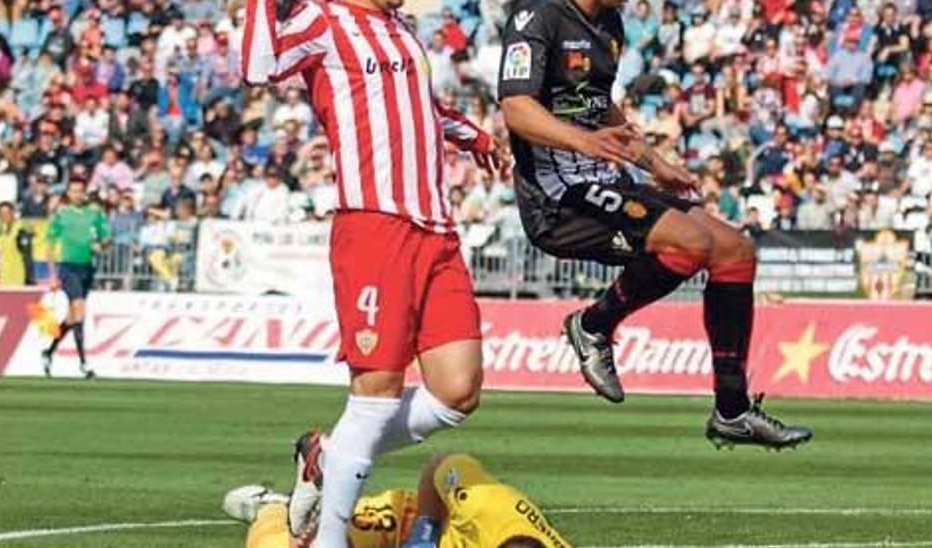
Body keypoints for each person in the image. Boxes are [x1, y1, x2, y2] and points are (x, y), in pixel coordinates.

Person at [497, 0, 812, 449]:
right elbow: (516, 109)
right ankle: (593, 325)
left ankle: (732, 410)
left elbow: (600, 105)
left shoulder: (610, 23)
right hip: (557, 195)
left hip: (607, 177)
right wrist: (584, 142)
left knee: (735, 252)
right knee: (690, 243)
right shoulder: (538, 16)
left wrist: (654, 162)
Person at [242, 0, 500, 546]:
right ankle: (328, 541)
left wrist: (474, 136)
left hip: (436, 231)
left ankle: (328, 454)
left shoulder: (399, 29)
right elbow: (258, 69)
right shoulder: (322, 19)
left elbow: (420, 110)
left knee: (458, 392)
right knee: (377, 390)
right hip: (375, 227)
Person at [223, 451, 567, 548]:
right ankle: (273, 507)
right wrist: (425, 533)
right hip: (402, 525)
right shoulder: (487, 503)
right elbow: (441, 464)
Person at [42, 179, 110, 379]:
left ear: (84, 193)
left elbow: (106, 237)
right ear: (68, 193)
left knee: (72, 318)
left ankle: (48, 352)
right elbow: (49, 245)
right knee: (80, 310)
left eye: (80, 191)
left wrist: (101, 245)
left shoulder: (94, 213)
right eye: (73, 191)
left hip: (87, 268)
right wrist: (53, 275)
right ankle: (84, 364)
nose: (77, 195)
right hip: (69, 268)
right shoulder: (61, 214)